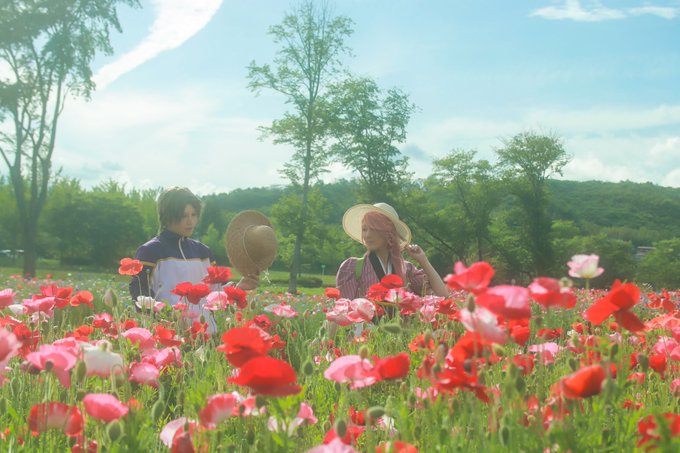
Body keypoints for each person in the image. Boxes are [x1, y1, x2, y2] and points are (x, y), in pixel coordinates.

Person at [129, 188, 270, 332]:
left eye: (194, 215)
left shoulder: (204, 252)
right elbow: (139, 297)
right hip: (170, 334)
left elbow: (216, 294)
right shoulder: (150, 251)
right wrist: (164, 322)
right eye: (184, 215)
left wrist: (239, 287)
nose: (190, 221)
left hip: (206, 334)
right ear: (167, 217)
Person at [336, 202, 449, 300]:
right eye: (364, 229)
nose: (367, 235)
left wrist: (423, 260)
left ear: (389, 232)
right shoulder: (352, 267)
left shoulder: (406, 269)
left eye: (374, 229)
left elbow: (442, 296)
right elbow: (345, 310)